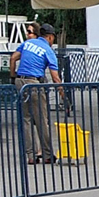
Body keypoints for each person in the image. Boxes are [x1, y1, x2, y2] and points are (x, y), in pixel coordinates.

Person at [14, 21, 62, 164]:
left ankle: (30, 155)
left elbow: (12, 58)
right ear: (50, 37)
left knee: (26, 119)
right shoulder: (48, 50)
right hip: (34, 83)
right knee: (42, 119)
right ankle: (47, 155)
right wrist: (62, 93)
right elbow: (55, 77)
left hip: (20, 82)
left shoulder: (27, 44)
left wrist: (12, 77)